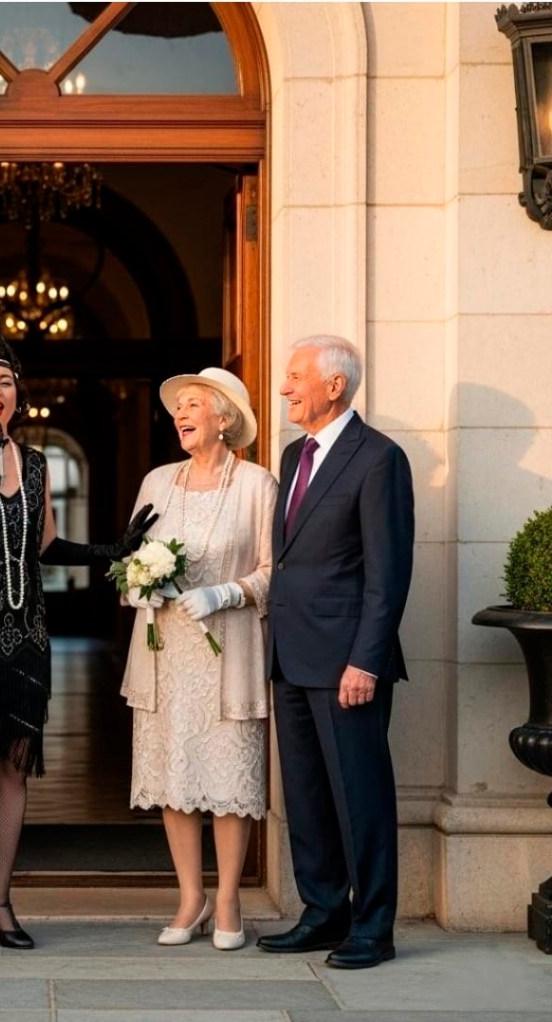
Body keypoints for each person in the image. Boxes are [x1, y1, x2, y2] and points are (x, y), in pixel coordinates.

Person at [0, 342, 157, 959]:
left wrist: (112, 552)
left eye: (5, 380)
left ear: (18, 395)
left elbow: (46, 545)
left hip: (24, 635)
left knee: (12, 768)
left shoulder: (34, 464)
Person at [257, 334, 413, 970]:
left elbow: (388, 572)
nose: (286, 387)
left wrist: (366, 660)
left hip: (348, 662)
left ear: (335, 385)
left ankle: (373, 928)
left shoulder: (380, 459)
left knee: (360, 798)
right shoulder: (294, 455)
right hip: (290, 656)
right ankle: (323, 913)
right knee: (307, 796)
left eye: (296, 376)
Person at [120, 368, 277, 951]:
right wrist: (140, 585)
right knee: (173, 777)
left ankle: (230, 898)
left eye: (192, 405)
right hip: (164, 650)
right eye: (177, 408)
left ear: (224, 417)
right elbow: (128, 558)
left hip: (229, 645)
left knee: (229, 776)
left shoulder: (259, 485)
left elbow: (272, 570)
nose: (180, 415)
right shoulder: (158, 482)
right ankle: (191, 898)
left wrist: (227, 592)